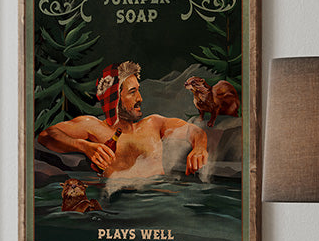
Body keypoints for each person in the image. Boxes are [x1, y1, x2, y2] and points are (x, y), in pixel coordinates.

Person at [37, 61, 208, 180]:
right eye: (132, 92)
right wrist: (84, 146)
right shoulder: (94, 127)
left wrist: (200, 147)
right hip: (117, 205)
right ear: (115, 99)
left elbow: (194, 131)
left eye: (138, 91)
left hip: (158, 199)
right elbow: (47, 135)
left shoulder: (154, 123)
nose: (140, 98)